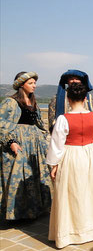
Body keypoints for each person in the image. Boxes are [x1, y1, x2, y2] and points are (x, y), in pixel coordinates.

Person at [46, 82, 93, 248]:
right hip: (91, 155)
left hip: (71, 156)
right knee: (91, 191)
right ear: (84, 98)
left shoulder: (63, 119)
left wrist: (54, 164)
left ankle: (73, 231)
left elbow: (56, 144)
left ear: (68, 98)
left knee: (72, 193)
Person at [0, 72, 52, 220]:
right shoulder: (10, 102)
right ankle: (19, 212)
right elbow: (1, 122)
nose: (34, 86)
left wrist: (41, 137)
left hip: (34, 144)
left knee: (35, 175)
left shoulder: (33, 102)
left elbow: (39, 123)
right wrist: (11, 142)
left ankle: (35, 210)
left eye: (35, 83)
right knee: (19, 177)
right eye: (31, 83)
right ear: (21, 84)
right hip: (19, 143)